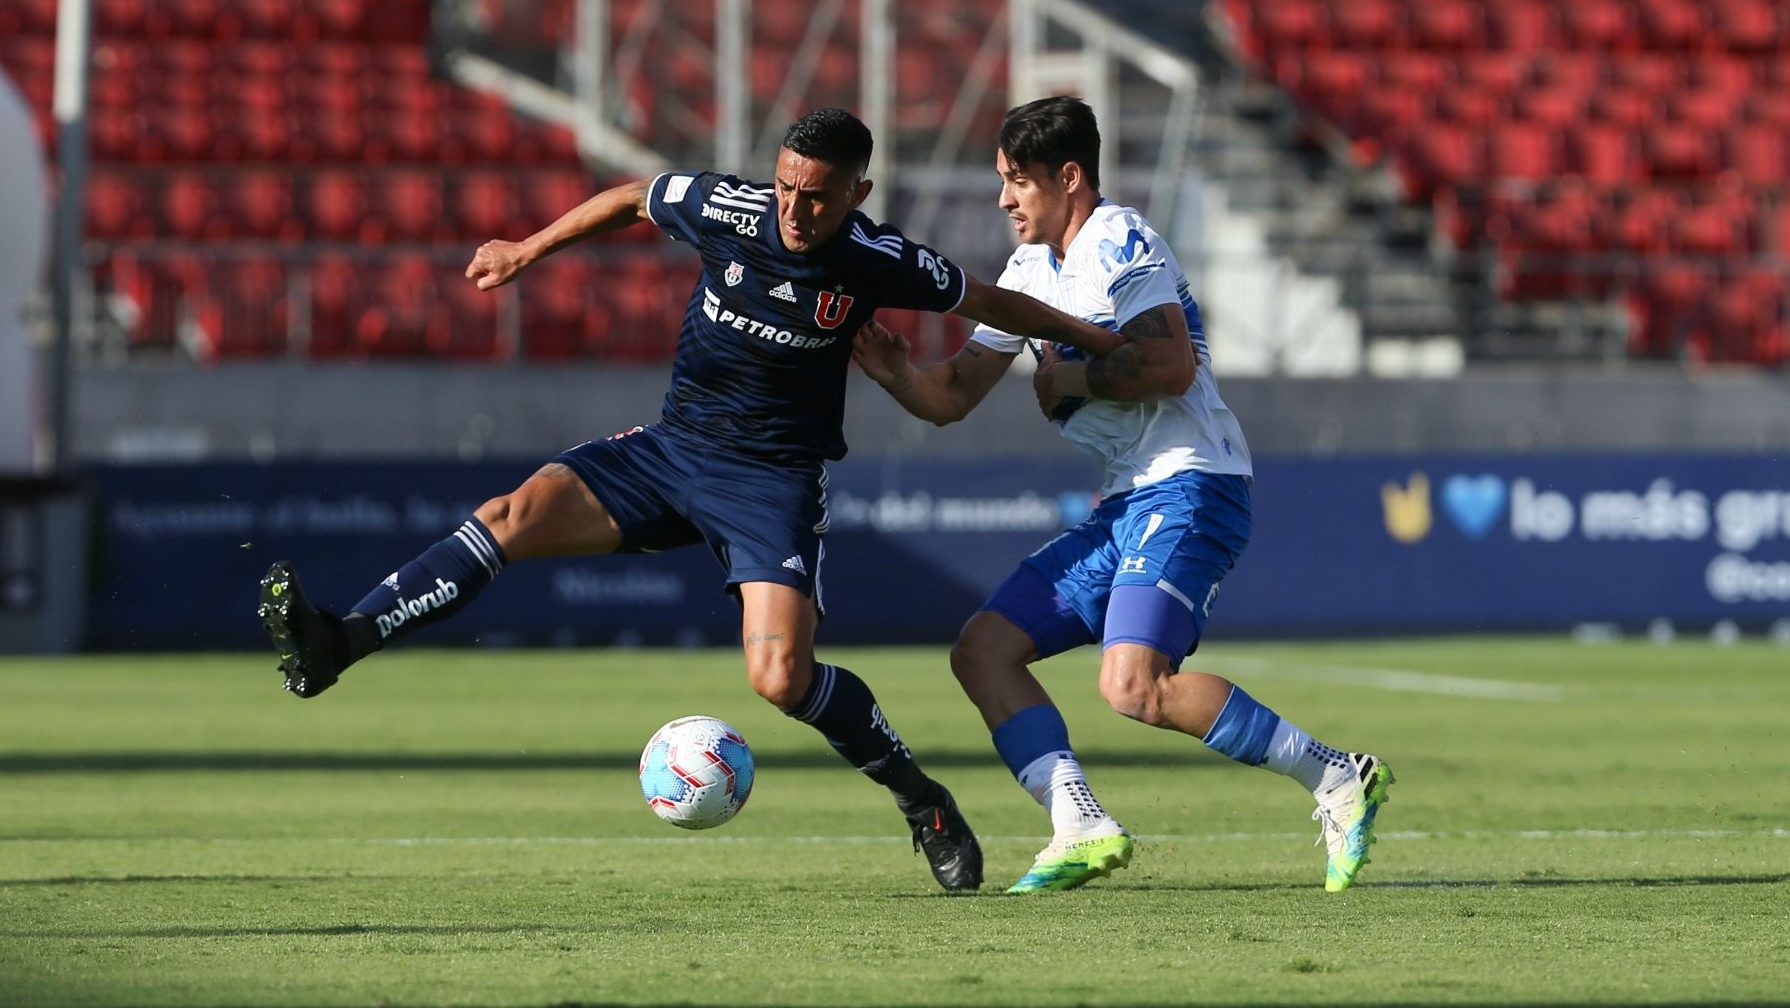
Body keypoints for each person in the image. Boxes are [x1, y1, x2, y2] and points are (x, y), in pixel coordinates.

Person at [256, 107, 1126, 893]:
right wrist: (527, 249)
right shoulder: (728, 207)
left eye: (817, 197)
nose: (795, 210)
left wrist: (1094, 339)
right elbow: (633, 197)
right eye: (786, 187)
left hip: (772, 483)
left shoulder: (878, 259)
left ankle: (921, 799)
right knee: (506, 517)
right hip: (671, 451)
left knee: (780, 679)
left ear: (857, 194)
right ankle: (341, 641)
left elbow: (993, 300)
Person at [851, 96, 1394, 895]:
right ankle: (1078, 823)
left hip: (1192, 480)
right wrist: (896, 372)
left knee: (1132, 686)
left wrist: (1074, 378)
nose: (1004, 199)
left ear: (1069, 177)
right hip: (1127, 503)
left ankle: (1338, 776)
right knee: (984, 649)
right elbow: (953, 396)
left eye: (1018, 181)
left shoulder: (1118, 239)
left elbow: (1171, 366)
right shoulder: (1029, 269)